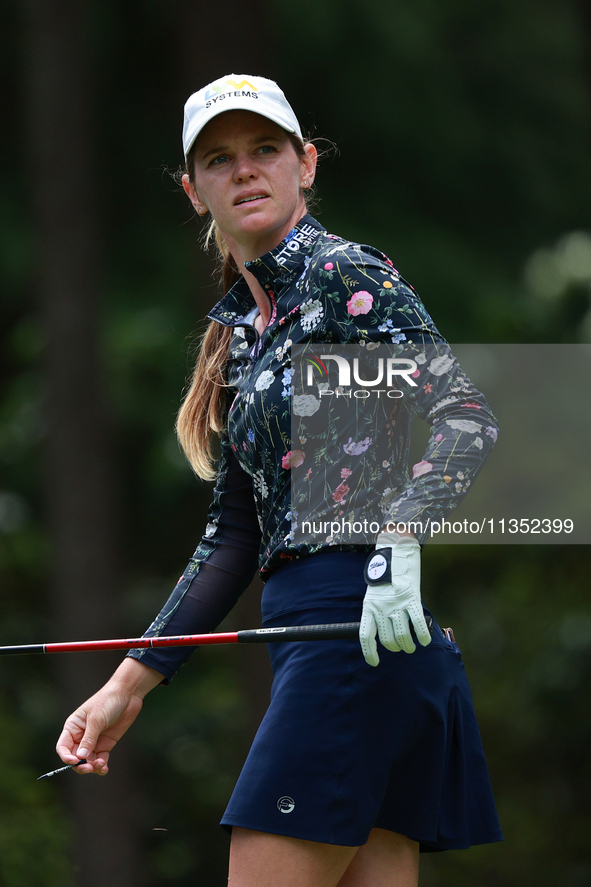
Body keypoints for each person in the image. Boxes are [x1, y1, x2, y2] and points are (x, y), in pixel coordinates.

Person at [56, 74, 502, 887]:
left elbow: (465, 415)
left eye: (264, 149)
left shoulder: (340, 276)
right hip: (334, 647)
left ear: (305, 165)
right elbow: (234, 536)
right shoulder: (240, 334)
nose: (245, 170)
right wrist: (127, 686)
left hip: (353, 637)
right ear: (195, 192)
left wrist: (399, 539)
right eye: (219, 159)